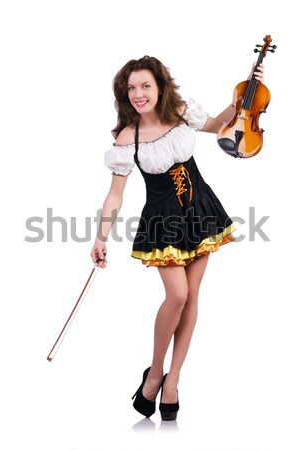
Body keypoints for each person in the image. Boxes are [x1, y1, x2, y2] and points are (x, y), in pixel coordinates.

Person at [90, 55, 264, 421]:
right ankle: (154, 373)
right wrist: (100, 237)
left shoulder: (181, 112)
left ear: (159, 85)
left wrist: (243, 92)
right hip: (163, 222)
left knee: (193, 296)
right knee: (178, 294)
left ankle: (174, 380)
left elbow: (219, 125)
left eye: (145, 86)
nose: (138, 94)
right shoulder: (128, 137)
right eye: (131, 88)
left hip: (200, 209)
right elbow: (116, 195)